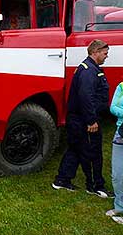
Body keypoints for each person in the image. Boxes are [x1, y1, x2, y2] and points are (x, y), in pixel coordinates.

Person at [52, 39, 113, 198]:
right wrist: (91, 120)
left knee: (76, 149)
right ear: (95, 52)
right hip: (84, 120)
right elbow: (86, 98)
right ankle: (95, 186)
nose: (106, 57)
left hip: (78, 119)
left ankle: (62, 180)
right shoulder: (88, 71)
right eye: (105, 53)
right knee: (92, 153)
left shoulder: (90, 68)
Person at [106, 81, 123, 223]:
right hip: (121, 134)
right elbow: (113, 108)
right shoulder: (122, 86)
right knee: (117, 175)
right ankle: (119, 206)